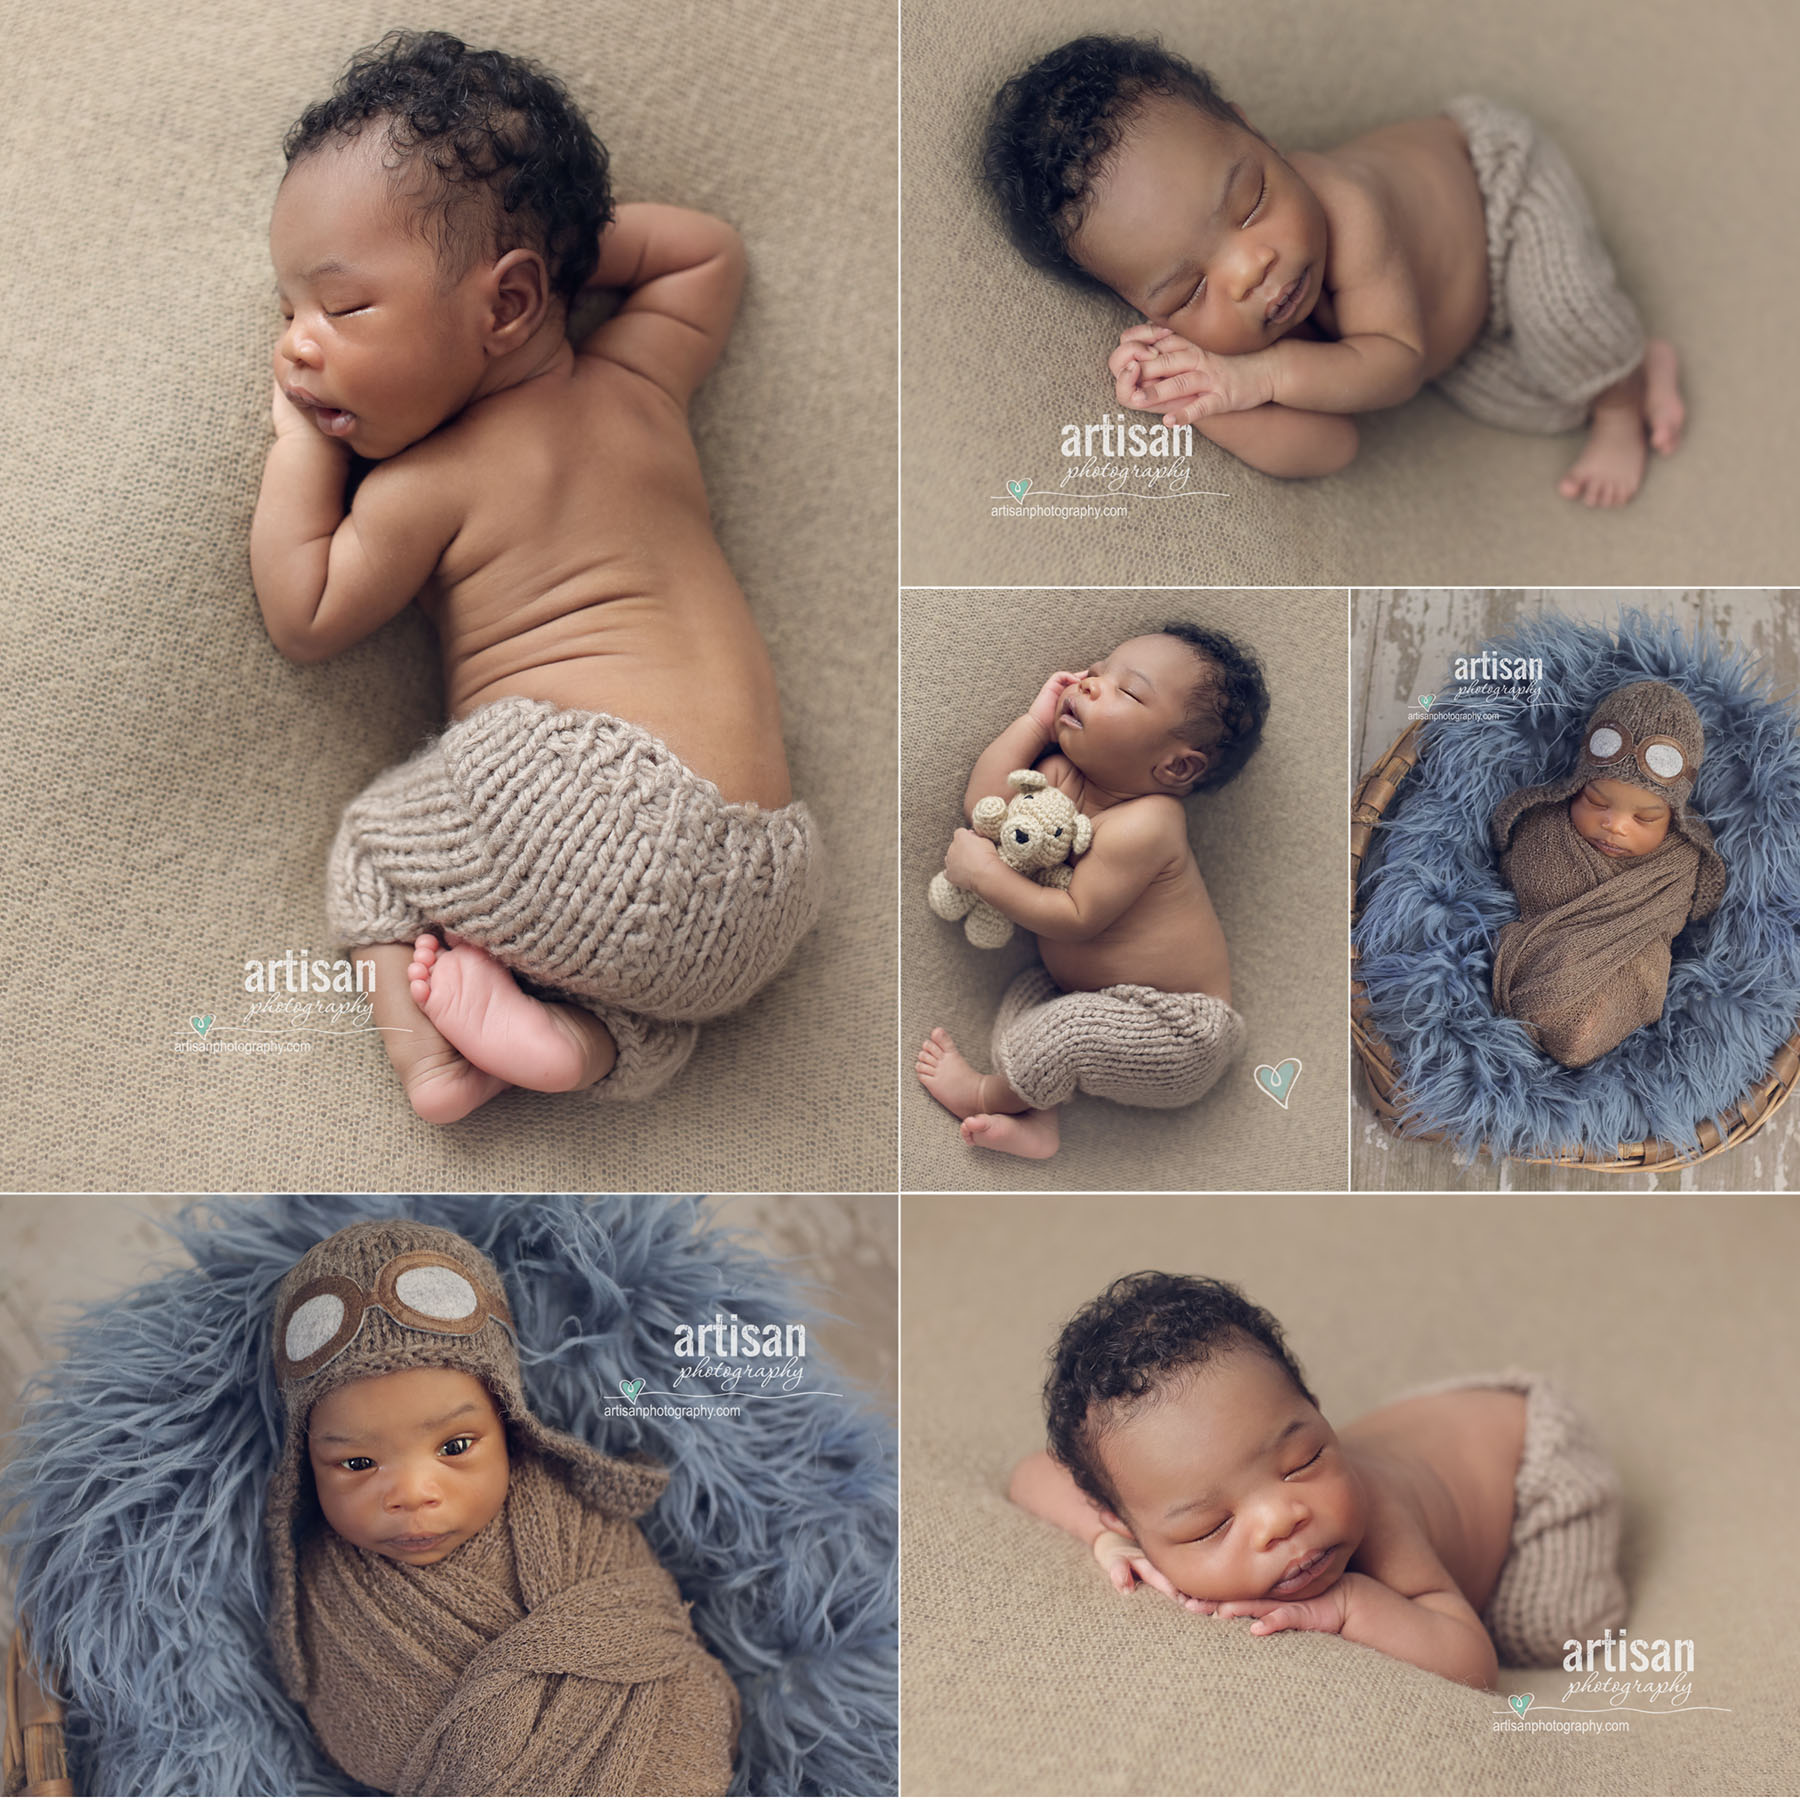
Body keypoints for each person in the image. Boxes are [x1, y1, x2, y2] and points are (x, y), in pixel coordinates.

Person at [251, 30, 822, 1121]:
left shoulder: (434, 482)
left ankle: (434, 1065)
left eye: (343, 308)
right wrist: (546, 253)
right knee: (653, 998)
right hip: (757, 899)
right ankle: (586, 1044)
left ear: (508, 305)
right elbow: (708, 253)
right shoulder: (642, 382)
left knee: (374, 848)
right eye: (289, 316)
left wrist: (303, 448)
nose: (297, 349)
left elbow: (305, 612)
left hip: (577, 809)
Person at [985, 35, 1684, 502]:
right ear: (1144, 310)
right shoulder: (1228, 337)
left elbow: (1398, 366)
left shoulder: (1347, 207)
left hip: (1500, 191)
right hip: (1456, 315)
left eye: (1252, 201)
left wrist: (1260, 374)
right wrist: (1205, 400)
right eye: (1189, 289)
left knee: (1565, 313)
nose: (1250, 270)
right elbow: (1331, 445)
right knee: (1539, 399)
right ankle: (1632, 363)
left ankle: (1620, 406)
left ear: (1251, 127)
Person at [1010, 1272, 1628, 1684]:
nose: (1283, 1518)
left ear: (1316, 1409)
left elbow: (1473, 1664)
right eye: (1211, 1525)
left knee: (1555, 1633)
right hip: (1431, 1431)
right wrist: (1108, 1541)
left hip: (1533, 1467)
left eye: (1301, 1462)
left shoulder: (1378, 1518)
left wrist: (1350, 1605)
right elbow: (1031, 1476)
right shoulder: (1132, 1506)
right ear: (1127, 1518)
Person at [916, 625, 1263, 1158]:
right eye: (1096, 672)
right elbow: (984, 805)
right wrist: (1035, 722)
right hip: (1090, 1002)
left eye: (1127, 691)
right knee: (1030, 1002)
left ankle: (986, 1094)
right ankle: (1038, 1118)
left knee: (1065, 1032)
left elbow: (1076, 915)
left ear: (1176, 765)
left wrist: (984, 876)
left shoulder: (1150, 823)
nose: (1091, 684)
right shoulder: (1060, 776)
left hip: (1179, 1032)